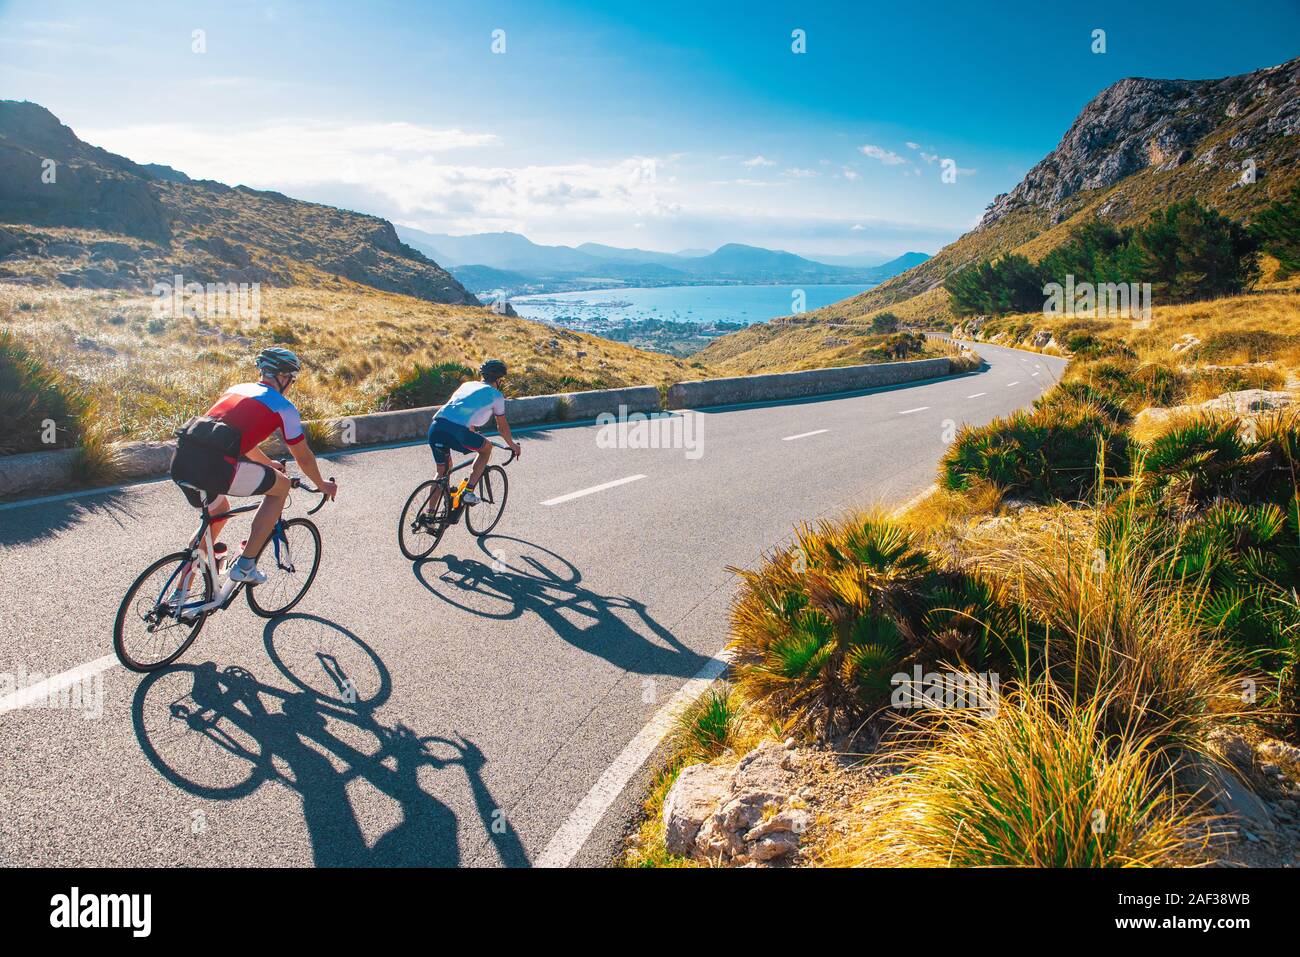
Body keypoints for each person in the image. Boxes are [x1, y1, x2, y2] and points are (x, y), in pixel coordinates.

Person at [170, 346, 338, 585]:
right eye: (291, 379)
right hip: (215, 466)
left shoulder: (236, 389)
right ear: (282, 377)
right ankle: (246, 564)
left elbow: (233, 436)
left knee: (217, 515)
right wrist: (321, 484)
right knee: (281, 488)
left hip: (183, 459)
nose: (291, 384)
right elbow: (303, 456)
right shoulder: (283, 407)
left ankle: (179, 596)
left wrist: (267, 463)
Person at [427, 358, 521, 506]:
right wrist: (512, 445)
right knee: (486, 448)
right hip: (456, 431)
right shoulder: (496, 396)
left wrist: (473, 433)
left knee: (442, 472)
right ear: (498, 380)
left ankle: (429, 517)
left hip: (436, 426)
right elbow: (502, 426)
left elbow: (462, 412)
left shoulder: (467, 385)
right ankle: (468, 492)